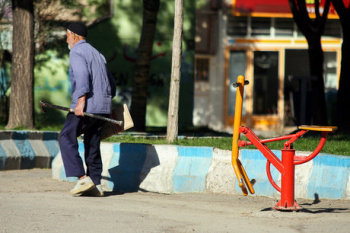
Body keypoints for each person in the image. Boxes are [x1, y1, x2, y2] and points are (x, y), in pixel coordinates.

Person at [58, 22, 116, 197]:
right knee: (92, 142)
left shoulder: (76, 51)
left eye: (67, 35)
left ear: (74, 35)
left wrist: (81, 101)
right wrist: (104, 101)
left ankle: (82, 178)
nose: (66, 38)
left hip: (87, 106)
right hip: (103, 107)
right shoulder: (98, 54)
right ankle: (96, 183)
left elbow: (82, 76)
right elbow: (112, 86)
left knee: (66, 136)